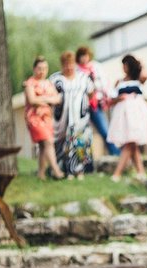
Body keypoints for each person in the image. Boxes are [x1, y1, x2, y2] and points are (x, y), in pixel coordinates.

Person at [108, 55, 147, 182]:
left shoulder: (139, 80)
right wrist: (120, 98)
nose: (124, 67)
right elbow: (111, 100)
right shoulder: (119, 82)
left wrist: (139, 63)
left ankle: (117, 174)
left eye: (126, 64)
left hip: (136, 113)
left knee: (131, 142)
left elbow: (146, 74)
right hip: (123, 114)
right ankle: (141, 172)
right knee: (131, 143)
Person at [49, 51, 94, 180]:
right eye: (66, 65)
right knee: (61, 145)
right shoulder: (55, 79)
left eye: (71, 64)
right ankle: (62, 170)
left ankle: (79, 170)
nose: (69, 67)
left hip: (80, 118)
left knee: (80, 143)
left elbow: (91, 93)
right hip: (60, 120)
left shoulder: (83, 77)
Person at [23, 56, 64, 180]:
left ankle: (41, 174)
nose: (42, 71)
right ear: (34, 69)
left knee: (42, 146)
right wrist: (48, 99)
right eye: (40, 68)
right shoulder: (29, 83)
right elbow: (32, 100)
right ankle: (57, 171)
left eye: (45, 68)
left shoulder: (48, 83)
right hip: (34, 118)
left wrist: (42, 99)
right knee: (48, 142)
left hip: (47, 118)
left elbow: (57, 99)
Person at [76, 46, 120, 156]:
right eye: (82, 56)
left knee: (105, 131)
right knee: (82, 133)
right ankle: (84, 158)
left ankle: (115, 153)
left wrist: (106, 97)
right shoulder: (77, 71)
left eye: (85, 55)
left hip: (96, 104)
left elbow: (104, 84)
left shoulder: (96, 67)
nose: (84, 58)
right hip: (82, 106)